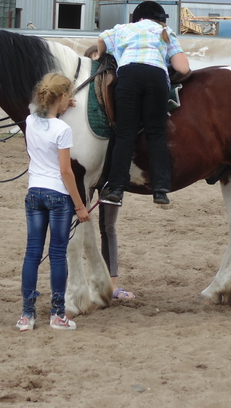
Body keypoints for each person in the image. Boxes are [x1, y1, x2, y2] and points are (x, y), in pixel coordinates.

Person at [97, 0, 190, 206]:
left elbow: (101, 41)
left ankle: (116, 188)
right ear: (160, 20)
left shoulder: (123, 29)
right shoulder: (165, 32)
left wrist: (100, 53)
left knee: (125, 133)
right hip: (156, 76)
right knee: (156, 133)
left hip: (129, 74)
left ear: (138, 18)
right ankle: (160, 189)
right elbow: (183, 68)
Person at [17, 73, 90, 331]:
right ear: (61, 97)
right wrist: (80, 206)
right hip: (58, 195)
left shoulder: (30, 121)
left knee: (32, 253)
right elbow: (66, 171)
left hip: (34, 192)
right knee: (58, 255)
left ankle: (27, 315)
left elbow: (43, 115)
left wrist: (62, 105)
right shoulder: (63, 130)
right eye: (68, 96)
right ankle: (58, 314)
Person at [83, 45, 136, 300]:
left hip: (111, 170)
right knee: (85, 227)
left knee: (108, 227)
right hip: (89, 167)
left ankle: (112, 284)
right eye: (94, 61)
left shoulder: (118, 93)